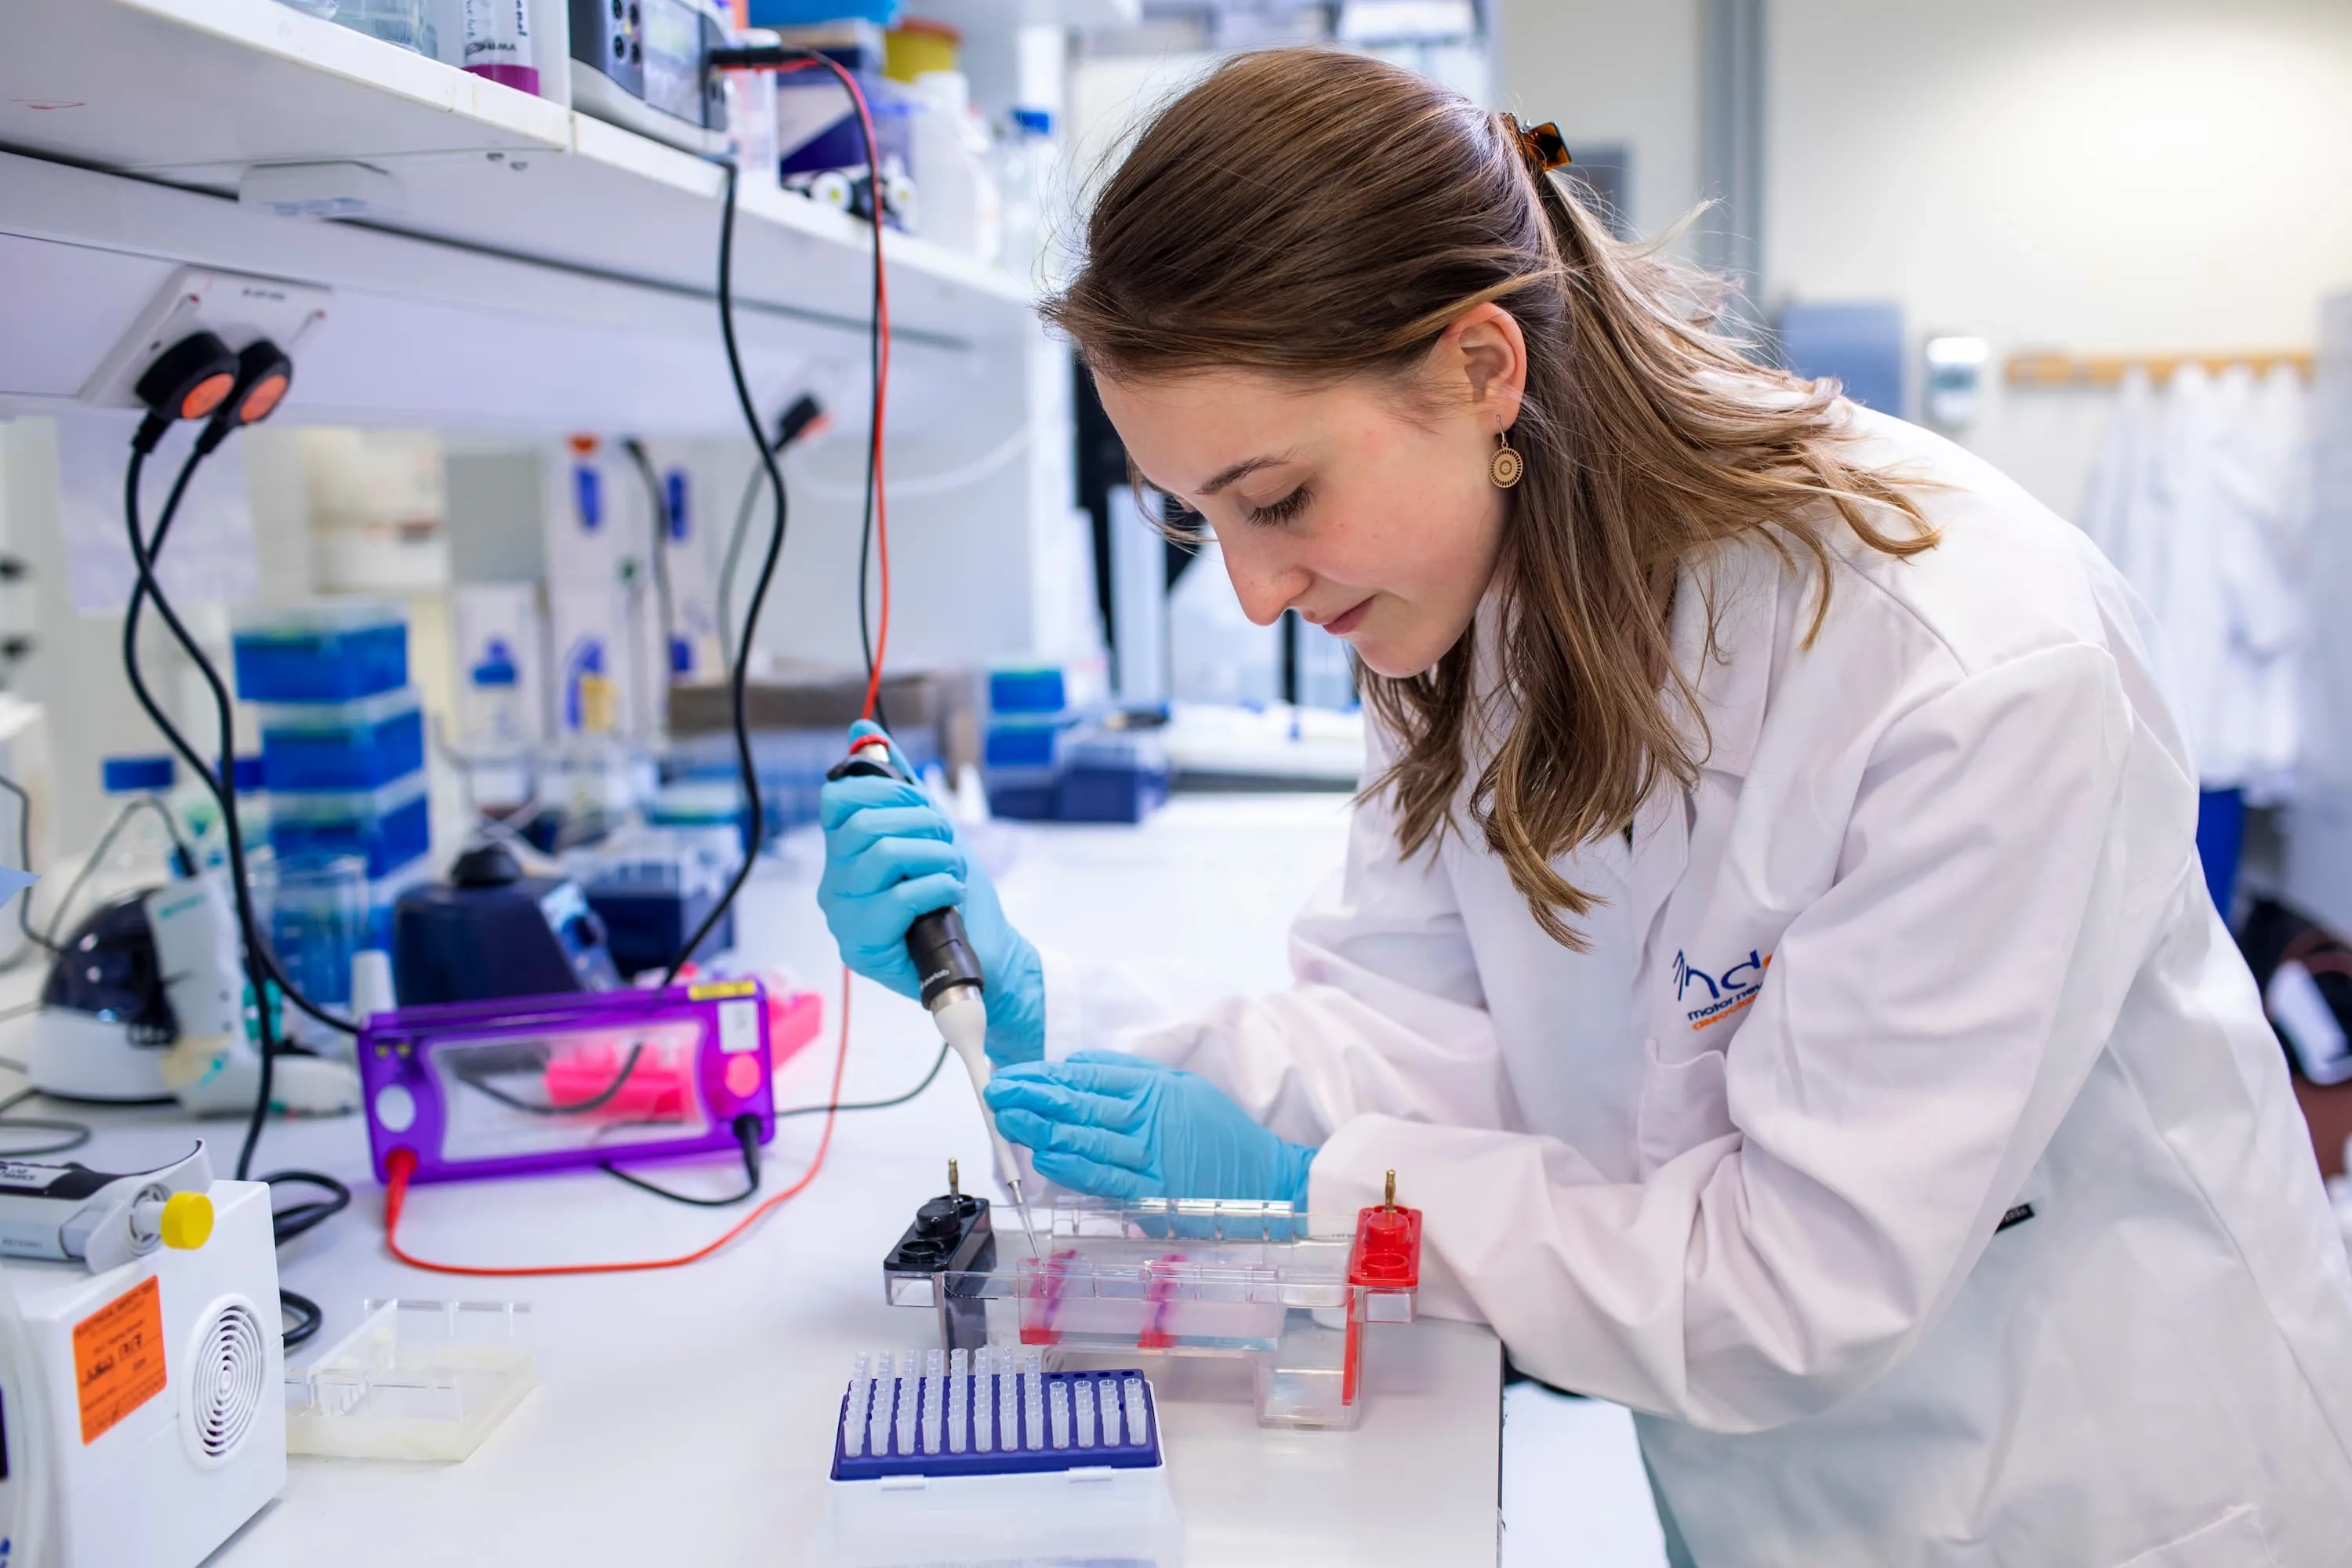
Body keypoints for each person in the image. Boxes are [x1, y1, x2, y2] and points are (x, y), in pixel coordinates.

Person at [815, 47, 2352, 1566]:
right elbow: (1409, 1034)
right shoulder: (1456, 595)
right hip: (1760, 1483)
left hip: (2092, 1493)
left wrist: (1317, 1193)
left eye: (1275, 498)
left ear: (1485, 369)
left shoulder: (1968, 669)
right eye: (1197, 512)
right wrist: (1041, 1014)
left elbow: (1793, 1287)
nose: (1255, 587)